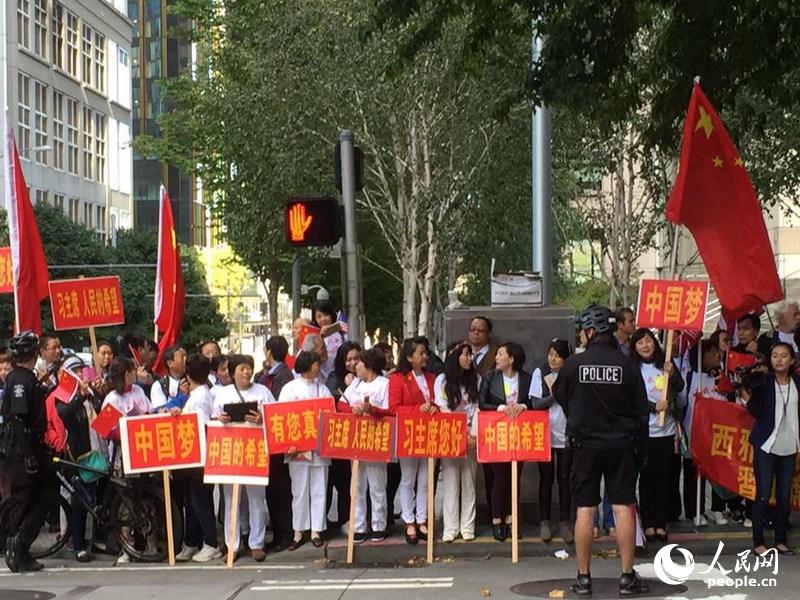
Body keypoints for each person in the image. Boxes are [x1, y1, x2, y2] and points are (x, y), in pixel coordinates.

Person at [555, 305, 649, 596]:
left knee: (585, 508)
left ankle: (583, 577)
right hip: (621, 445)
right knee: (623, 507)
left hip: (585, 445)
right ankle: (626, 576)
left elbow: (561, 396)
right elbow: (640, 409)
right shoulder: (627, 364)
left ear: (590, 331)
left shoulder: (574, 364)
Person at [212, 354, 274, 561]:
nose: (246, 372)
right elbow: (213, 420)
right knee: (231, 500)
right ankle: (232, 544)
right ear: (232, 373)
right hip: (230, 451)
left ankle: (257, 543)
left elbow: (275, 418)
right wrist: (220, 418)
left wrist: (262, 419)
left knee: (257, 498)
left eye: (248, 368)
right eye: (241, 369)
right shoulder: (222, 394)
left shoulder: (263, 392)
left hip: (254, 451)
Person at [0, 331, 53, 572]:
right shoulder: (20, 380)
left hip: (29, 445)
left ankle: (21, 548)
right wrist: (29, 454)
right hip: (23, 448)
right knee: (29, 498)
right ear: (34, 353)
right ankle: (18, 543)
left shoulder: (25, 378)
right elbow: (20, 420)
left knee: (36, 497)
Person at [743, 342, 799, 556]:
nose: (779, 359)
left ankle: (781, 540)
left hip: (790, 445)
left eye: (784, 355)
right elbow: (753, 402)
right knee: (764, 494)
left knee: (784, 496)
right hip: (766, 445)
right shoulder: (765, 381)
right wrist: (753, 371)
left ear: (792, 359)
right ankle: (758, 542)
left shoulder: (797, 382)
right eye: (775, 355)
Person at [628, 328, 684, 544]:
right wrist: (653, 407)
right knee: (646, 478)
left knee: (663, 478)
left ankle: (660, 523)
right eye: (640, 342)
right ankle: (648, 522)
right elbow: (630, 398)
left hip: (666, 430)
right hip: (644, 431)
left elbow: (679, 387)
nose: (645, 345)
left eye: (648, 341)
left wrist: (673, 372)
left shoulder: (666, 364)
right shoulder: (633, 368)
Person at [478, 341, 532, 542]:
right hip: (497, 434)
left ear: (511, 359)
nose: (497, 358)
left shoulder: (526, 379)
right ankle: (496, 519)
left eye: (500, 354)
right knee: (499, 478)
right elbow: (483, 403)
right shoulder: (490, 377)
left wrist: (523, 407)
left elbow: (533, 400)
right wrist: (501, 408)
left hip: (519, 435)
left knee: (514, 477)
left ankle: (512, 519)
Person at [278, 351, 332, 550]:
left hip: (318, 448)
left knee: (319, 488)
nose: (319, 367)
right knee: (299, 490)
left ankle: (317, 529)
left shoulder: (323, 389)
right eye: (316, 364)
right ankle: (298, 531)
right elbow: (282, 418)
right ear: (308, 365)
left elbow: (330, 416)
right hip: (297, 448)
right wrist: (287, 443)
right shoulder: (289, 389)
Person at [338, 348, 392, 542]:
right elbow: (341, 404)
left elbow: (389, 410)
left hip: (376, 438)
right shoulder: (356, 384)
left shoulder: (385, 384)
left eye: (359, 363)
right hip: (356, 439)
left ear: (368, 365)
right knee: (357, 484)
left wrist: (372, 409)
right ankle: (359, 524)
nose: (356, 366)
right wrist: (354, 409)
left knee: (377, 483)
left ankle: (379, 524)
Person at [173, 354, 222, 563]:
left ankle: (211, 543)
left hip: (198, 458)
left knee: (201, 502)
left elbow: (200, 426)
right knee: (191, 502)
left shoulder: (201, 397)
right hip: (191, 458)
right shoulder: (199, 394)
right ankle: (192, 542)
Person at [389, 337, 437, 545]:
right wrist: (418, 410)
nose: (424, 356)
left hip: (429, 432)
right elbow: (394, 408)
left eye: (425, 352)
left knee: (426, 479)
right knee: (408, 478)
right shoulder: (398, 379)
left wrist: (434, 406)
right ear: (409, 357)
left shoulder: (432, 378)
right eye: (420, 353)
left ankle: (422, 519)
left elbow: (439, 399)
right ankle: (409, 520)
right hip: (408, 434)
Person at [53, 356, 99, 562]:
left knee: (92, 499)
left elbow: (99, 408)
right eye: (76, 370)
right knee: (79, 502)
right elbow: (62, 415)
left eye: (82, 369)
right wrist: (79, 396)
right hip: (72, 456)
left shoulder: (85, 394)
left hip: (91, 454)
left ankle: (92, 539)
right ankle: (78, 544)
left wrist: (95, 392)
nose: (81, 374)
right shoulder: (61, 395)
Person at [530, 338, 574, 544]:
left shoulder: (571, 373)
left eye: (557, 355)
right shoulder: (540, 373)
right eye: (550, 354)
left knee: (565, 478)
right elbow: (536, 404)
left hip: (566, 432)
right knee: (546, 479)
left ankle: (565, 521)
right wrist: (555, 394)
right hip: (545, 432)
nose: (553, 359)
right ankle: (545, 521)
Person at [434, 342, 479, 542]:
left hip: (471, 437)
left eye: (470, 355)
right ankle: (450, 528)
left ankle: (468, 527)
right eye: (465, 354)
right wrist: (458, 432)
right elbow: (443, 407)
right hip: (450, 435)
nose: (469, 358)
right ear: (454, 357)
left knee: (469, 481)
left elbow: (478, 408)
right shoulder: (442, 381)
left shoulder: (476, 379)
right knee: (451, 481)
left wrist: (473, 434)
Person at [256, 336, 294, 551]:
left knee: (279, 490)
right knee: (272, 489)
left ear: (269, 352)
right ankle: (279, 533)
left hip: (278, 438)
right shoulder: (269, 374)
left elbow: (277, 409)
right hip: (269, 439)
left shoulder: (282, 376)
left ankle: (284, 534)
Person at [325, 342, 361, 530]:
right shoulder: (334, 378)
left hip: (363, 438)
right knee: (344, 481)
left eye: (356, 358)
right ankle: (344, 519)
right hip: (341, 437)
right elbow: (331, 403)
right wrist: (347, 386)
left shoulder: (367, 377)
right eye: (349, 359)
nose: (353, 363)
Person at [312, 301, 347, 380]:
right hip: (320, 377)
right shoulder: (313, 337)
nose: (323, 319)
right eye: (319, 317)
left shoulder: (343, 334)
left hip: (339, 376)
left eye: (326, 315)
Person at [150, 346, 189, 411]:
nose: (186, 360)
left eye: (186, 356)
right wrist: (181, 396)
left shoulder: (194, 380)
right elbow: (163, 412)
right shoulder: (159, 386)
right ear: (170, 363)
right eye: (182, 357)